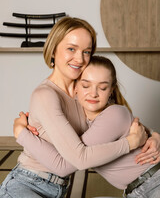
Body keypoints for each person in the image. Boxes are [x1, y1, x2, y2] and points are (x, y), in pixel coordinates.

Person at [0, 17, 156, 198]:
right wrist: (21, 134)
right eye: (71, 49)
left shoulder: (83, 92)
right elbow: (73, 161)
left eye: (86, 52)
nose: (80, 58)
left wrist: (153, 135)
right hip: (27, 183)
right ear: (53, 50)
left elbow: (114, 121)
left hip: (59, 189)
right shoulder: (45, 95)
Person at [15, 55, 160, 197]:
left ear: (111, 90)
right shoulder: (81, 118)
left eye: (102, 88)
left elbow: (65, 165)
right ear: (75, 86)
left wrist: (21, 133)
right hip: (137, 191)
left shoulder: (115, 113)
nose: (93, 93)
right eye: (86, 85)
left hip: (154, 183)